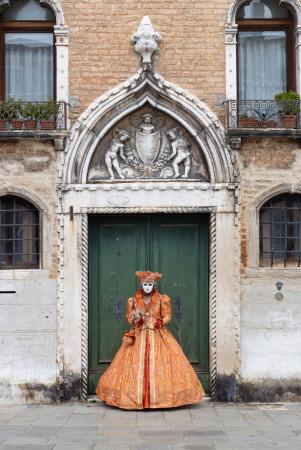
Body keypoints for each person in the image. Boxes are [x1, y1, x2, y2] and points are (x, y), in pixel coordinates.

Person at [96, 271, 204, 409]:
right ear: (141, 284)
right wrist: (135, 319)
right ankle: (134, 399)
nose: (147, 287)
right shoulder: (133, 300)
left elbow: (167, 314)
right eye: (145, 284)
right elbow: (129, 316)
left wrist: (161, 322)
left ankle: (159, 399)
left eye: (150, 284)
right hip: (139, 334)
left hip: (157, 333)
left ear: (154, 284)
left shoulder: (161, 299)